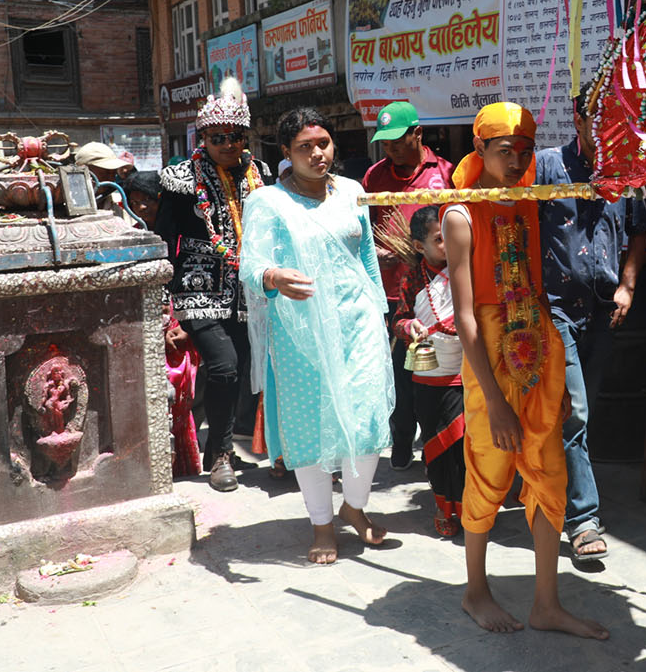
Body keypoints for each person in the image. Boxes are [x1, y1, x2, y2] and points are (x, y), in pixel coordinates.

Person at [441, 102, 608, 640]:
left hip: (537, 340)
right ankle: (474, 590)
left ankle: (546, 602)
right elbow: (465, 317)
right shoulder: (459, 214)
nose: (515, 161)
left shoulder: (531, 199)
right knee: (488, 469)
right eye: (503, 151)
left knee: (549, 469)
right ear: (480, 152)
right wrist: (492, 398)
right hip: (488, 352)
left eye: (524, 151)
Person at [239, 107, 394, 564]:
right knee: (310, 428)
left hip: (358, 322)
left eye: (322, 143)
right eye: (304, 147)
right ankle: (322, 525)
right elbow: (249, 266)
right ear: (286, 153)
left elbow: (366, 258)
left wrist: (380, 312)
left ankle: (355, 507)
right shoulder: (266, 202)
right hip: (299, 329)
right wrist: (273, 275)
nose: (317, 153)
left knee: (367, 422)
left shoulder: (352, 191)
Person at [536, 93, 646, 562]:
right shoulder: (546, 167)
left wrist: (628, 284)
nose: (609, 129)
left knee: (579, 415)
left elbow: (639, 228)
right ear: (578, 118)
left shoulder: (627, 173)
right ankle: (583, 520)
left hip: (603, 311)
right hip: (555, 308)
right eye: (600, 119)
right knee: (575, 412)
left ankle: (553, 495)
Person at [155, 78, 271, 492]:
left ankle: (225, 444)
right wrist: (166, 312)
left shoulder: (260, 175)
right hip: (197, 289)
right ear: (203, 137)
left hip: (247, 290)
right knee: (222, 367)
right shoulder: (179, 178)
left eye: (236, 137)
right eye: (218, 137)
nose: (228, 144)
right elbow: (165, 241)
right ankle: (220, 455)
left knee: (240, 370)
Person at [363, 100, 454, 470]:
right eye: (385, 144)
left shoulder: (446, 173)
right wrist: (376, 250)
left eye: (398, 141)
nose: (391, 150)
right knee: (401, 372)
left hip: (439, 291)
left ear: (418, 133)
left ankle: (439, 443)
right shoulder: (374, 178)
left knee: (439, 370)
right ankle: (401, 439)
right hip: (392, 294)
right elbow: (364, 230)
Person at [392, 205, 467, 537]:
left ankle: (468, 510)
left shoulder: (467, 269)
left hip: (466, 375)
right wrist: (410, 326)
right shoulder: (413, 278)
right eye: (440, 239)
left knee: (465, 449)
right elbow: (398, 319)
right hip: (428, 378)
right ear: (419, 246)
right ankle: (442, 506)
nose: (449, 244)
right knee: (437, 448)